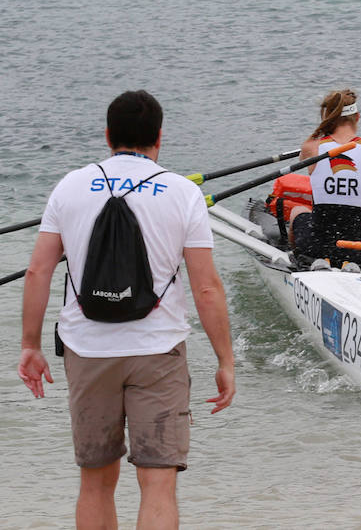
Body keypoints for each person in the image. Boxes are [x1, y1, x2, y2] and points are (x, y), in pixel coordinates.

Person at [18, 90, 236, 530]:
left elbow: (37, 272)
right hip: (158, 351)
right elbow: (207, 287)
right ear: (159, 137)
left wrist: (30, 345)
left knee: (95, 482)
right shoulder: (181, 192)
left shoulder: (71, 185)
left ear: (107, 135)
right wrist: (225, 359)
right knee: (158, 483)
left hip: (87, 348)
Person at [295, 89, 361, 271]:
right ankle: (350, 264)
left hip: (315, 245)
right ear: (357, 117)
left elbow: (304, 155)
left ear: (327, 118)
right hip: (356, 250)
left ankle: (302, 259)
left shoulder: (311, 147)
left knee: (297, 210)